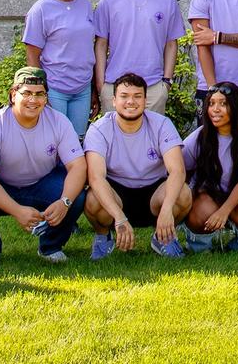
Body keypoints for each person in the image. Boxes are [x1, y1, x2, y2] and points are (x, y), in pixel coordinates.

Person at [0, 67, 88, 265]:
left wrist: (64, 202)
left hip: (42, 182)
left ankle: (50, 247)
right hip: (2, 185)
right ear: (13, 95)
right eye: (27, 93)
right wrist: (17, 210)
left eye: (40, 94)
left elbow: (78, 167)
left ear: (46, 98)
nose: (33, 100)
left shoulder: (59, 122)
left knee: (77, 196)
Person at [81, 73, 189, 259]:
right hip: (117, 192)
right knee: (92, 199)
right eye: (124, 96)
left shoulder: (162, 124)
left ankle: (163, 236)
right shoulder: (99, 129)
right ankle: (103, 236)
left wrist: (166, 210)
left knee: (183, 194)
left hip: (155, 191)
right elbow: (96, 178)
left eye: (137, 96)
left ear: (145, 100)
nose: (131, 101)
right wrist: (119, 217)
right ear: (114, 100)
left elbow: (177, 170)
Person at [94, 0, 184, 114]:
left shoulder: (167, 0)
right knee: (115, 139)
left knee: (151, 140)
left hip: (153, 86)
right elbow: (101, 43)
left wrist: (166, 82)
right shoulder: (109, 0)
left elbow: (171, 44)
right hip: (115, 85)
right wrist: (101, 82)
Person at [180, 83, 238, 253]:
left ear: (235, 106)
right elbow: (178, 165)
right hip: (209, 193)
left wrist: (224, 211)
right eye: (211, 104)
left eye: (223, 103)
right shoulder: (201, 134)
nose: (215, 109)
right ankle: (200, 246)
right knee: (200, 209)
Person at [24, 0, 95, 136]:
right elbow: (32, 55)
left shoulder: (85, 5)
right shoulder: (40, 10)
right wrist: (40, 91)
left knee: (78, 141)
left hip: (83, 88)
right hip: (55, 88)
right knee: (55, 140)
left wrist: (94, 88)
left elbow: (89, 49)